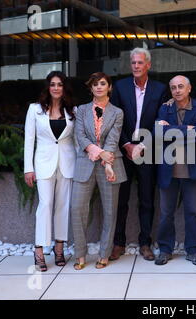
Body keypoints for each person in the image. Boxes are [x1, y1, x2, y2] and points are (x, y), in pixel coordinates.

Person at [110, 48, 167, 261]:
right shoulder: (120, 87)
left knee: (146, 200)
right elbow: (114, 119)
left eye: (140, 63)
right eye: (133, 62)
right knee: (121, 199)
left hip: (148, 151)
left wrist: (142, 145)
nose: (136, 66)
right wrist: (126, 144)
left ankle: (145, 243)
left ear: (148, 65)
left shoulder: (160, 89)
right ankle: (118, 242)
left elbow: (161, 120)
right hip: (123, 151)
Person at [70, 72, 127, 270]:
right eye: (95, 84)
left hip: (110, 164)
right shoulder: (82, 110)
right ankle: (80, 255)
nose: (99, 87)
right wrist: (97, 152)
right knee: (77, 208)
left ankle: (104, 254)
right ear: (91, 88)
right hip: (85, 163)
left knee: (110, 212)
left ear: (109, 87)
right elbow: (80, 136)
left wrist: (107, 159)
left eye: (103, 83)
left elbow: (113, 138)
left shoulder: (117, 112)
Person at [24, 71, 76, 272]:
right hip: (43, 163)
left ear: (65, 88)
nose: (56, 88)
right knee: (45, 205)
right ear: (48, 87)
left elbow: (76, 141)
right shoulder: (35, 110)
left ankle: (59, 247)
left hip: (67, 163)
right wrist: (28, 168)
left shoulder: (73, 110)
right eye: (53, 84)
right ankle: (39, 250)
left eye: (60, 84)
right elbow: (29, 140)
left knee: (63, 206)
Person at [154, 75, 196, 266]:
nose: (177, 90)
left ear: (189, 88)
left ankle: (193, 250)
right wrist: (187, 129)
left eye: (181, 87)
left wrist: (174, 131)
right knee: (166, 213)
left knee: (192, 211)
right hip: (168, 169)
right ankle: (165, 249)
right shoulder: (165, 107)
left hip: (192, 170)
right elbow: (159, 133)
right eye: (174, 87)